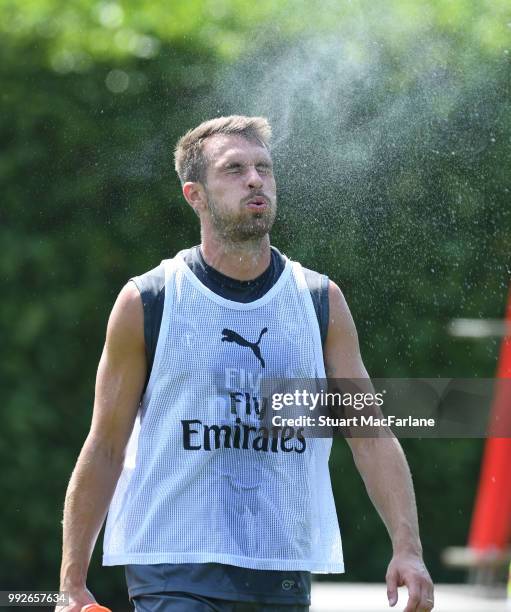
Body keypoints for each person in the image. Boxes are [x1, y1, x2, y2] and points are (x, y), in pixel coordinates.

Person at [57, 115, 434, 612]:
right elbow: (105, 445)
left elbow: (369, 433)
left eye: (264, 168)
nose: (255, 179)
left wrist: (408, 549)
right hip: (174, 565)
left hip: (281, 568)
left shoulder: (319, 300)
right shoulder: (149, 300)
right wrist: (71, 582)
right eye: (234, 169)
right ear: (195, 194)